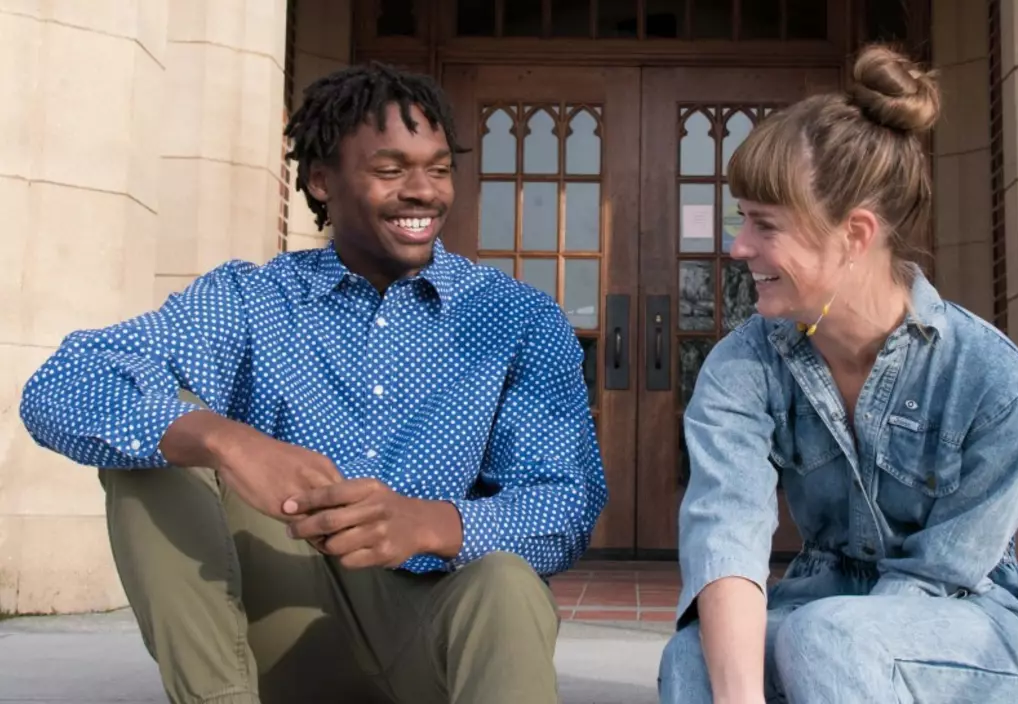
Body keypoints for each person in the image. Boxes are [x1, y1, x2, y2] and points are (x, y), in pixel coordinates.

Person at [19, 62, 607, 704]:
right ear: (323, 181)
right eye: (390, 170)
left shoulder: (514, 317)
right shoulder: (252, 296)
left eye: (438, 169)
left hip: (434, 632)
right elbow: (63, 384)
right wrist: (226, 441)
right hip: (283, 614)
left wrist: (432, 524)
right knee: (157, 438)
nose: (424, 192)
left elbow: (567, 503)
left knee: (506, 583)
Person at [657, 44, 1018, 704]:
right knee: (696, 656)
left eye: (765, 225)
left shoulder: (994, 381)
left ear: (856, 234)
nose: (738, 247)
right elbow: (724, 536)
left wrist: (815, 644)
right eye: (741, 220)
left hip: (972, 626)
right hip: (822, 604)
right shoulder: (743, 367)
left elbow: (939, 580)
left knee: (829, 638)